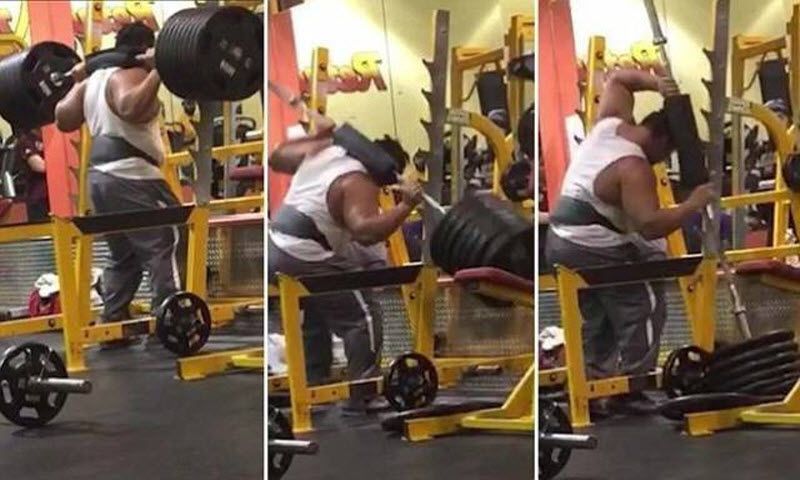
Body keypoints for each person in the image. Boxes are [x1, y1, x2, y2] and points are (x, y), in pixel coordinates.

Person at [545, 67, 715, 414]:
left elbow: (619, 79)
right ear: (662, 141)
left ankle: (594, 388)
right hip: (589, 243)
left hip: (560, 240)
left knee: (600, 318)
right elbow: (649, 225)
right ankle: (632, 388)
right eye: (668, 153)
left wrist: (657, 84)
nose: (663, 161)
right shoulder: (634, 167)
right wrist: (692, 204)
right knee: (644, 303)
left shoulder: (608, 124)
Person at [268, 114, 422, 416]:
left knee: (316, 308)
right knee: (362, 317)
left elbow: (275, 159)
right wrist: (406, 205)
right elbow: (365, 232)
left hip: (276, 244)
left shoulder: (327, 153)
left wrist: (316, 137)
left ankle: (315, 381)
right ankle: (363, 394)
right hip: (303, 252)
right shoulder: (359, 180)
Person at [53, 22, 185, 345]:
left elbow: (62, 117)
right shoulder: (132, 73)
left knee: (124, 254)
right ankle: (170, 320)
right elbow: (128, 107)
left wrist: (78, 83)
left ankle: (112, 320)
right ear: (146, 48)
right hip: (133, 175)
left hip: (100, 179)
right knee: (167, 241)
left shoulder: (93, 80)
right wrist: (159, 70)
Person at [15, 129, 49, 221]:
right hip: (38, 197)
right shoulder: (26, 140)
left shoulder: (53, 136)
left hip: (58, 195)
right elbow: (39, 166)